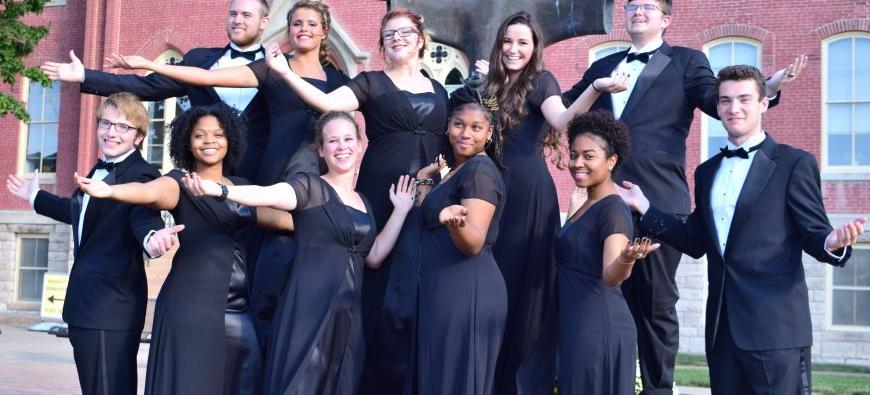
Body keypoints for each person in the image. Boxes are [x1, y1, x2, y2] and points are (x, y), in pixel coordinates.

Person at [561, 1, 806, 392]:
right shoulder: (603, 65)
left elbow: (718, 102)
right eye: (631, 5)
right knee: (601, 300)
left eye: (648, 5)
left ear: (666, 18)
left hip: (657, 204)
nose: (637, 10)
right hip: (601, 203)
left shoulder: (687, 62)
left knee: (655, 306)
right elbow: (565, 108)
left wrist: (769, 88)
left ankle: (658, 389)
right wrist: (517, 89)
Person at [101, 0, 350, 351]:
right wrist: (148, 64)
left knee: (312, 288)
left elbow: (352, 133)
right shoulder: (271, 68)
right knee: (269, 280)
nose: (303, 29)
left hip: (318, 184)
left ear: (325, 30)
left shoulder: (340, 81)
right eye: (296, 23)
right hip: (277, 177)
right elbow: (206, 77)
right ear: (286, 29)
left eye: (311, 23)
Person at [619, 65, 866, 394]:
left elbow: (814, 232)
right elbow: (694, 240)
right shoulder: (707, 172)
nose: (734, 108)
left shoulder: (794, 163)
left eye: (744, 99)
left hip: (775, 334)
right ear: (717, 107)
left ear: (764, 103)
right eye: (725, 101)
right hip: (723, 334)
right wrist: (644, 206)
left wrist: (832, 242)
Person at [259, 8, 448, 393]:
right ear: (381, 43)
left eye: (405, 32)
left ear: (421, 38)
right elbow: (326, 103)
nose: (397, 39)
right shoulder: (371, 83)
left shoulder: (440, 90)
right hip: (381, 192)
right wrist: (284, 73)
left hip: (423, 198)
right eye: (389, 34)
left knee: (414, 291)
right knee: (376, 286)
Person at [182, 111, 416, 394]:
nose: (341, 146)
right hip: (307, 310)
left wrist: (401, 210)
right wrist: (220, 190)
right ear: (321, 149)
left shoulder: (363, 203)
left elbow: (375, 255)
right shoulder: (310, 186)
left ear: (360, 144)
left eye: (347, 139)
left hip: (348, 318)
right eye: (332, 141)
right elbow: (268, 195)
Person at [75, 103, 291, 394]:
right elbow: (150, 193)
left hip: (240, 311)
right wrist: (112, 190)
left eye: (218, 134)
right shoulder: (180, 182)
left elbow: (287, 220)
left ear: (231, 140)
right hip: (190, 307)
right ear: (188, 142)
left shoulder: (242, 187)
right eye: (199, 135)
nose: (209, 141)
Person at [475, 11, 628, 393]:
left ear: (534, 48)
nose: (513, 49)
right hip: (487, 187)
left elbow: (562, 121)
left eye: (522, 42)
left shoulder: (540, 81)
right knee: (488, 279)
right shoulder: (489, 84)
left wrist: (594, 87)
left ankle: (518, 381)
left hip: (526, 191)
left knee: (520, 283)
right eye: (507, 41)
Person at [5, 92, 171, 395]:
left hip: (111, 308)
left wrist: (153, 239)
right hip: (87, 307)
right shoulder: (100, 168)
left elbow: (143, 217)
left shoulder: (142, 173)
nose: (111, 132)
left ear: (139, 137)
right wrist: (35, 196)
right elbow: (81, 214)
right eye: (106, 123)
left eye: (123, 127)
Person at [40, 0, 271, 182]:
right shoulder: (198, 59)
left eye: (246, 15)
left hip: (263, 177)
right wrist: (84, 76)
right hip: (203, 178)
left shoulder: (280, 66)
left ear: (264, 22)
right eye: (233, 14)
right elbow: (147, 86)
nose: (237, 20)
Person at [409, 86, 507, 394]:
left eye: (476, 127)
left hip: (466, 291)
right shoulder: (456, 172)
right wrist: (426, 179)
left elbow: (473, 241)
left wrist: (454, 225)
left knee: (454, 381)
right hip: (446, 289)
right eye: (458, 125)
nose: (466, 133)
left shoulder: (480, 172)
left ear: (489, 134)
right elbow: (426, 219)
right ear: (448, 126)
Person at [556, 110, 660, 394]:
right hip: (577, 325)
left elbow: (611, 276)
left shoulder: (613, 209)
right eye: (574, 155)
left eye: (588, 156)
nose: (578, 163)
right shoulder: (586, 204)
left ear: (611, 160)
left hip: (597, 329)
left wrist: (625, 260)